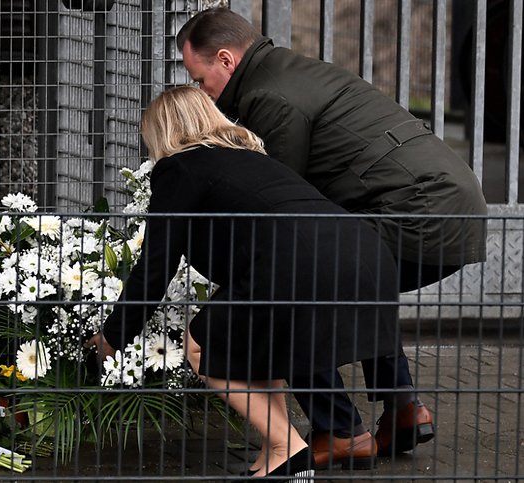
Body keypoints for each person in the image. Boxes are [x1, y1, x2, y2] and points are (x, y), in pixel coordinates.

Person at [175, 6, 488, 468]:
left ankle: (340, 429)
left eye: (200, 79)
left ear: (225, 59)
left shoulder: (269, 96)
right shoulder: (290, 70)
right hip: (449, 205)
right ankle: (402, 407)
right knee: (345, 274)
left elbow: (281, 206)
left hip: (421, 213)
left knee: (290, 287)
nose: (202, 93)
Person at [87, 86, 402, 480]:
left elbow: (155, 264)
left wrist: (113, 337)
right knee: (254, 342)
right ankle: (277, 450)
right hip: (364, 253)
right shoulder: (249, 158)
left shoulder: (179, 167)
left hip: (297, 263)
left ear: (162, 131)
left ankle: (288, 448)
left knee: (202, 344)